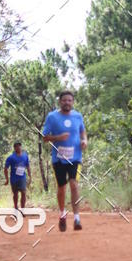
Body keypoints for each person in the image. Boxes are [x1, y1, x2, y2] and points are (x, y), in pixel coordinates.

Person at [42, 90, 87, 231]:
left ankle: (77, 218)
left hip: (75, 158)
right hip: (59, 159)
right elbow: (44, 137)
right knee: (62, 187)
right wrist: (57, 138)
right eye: (64, 100)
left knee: (74, 184)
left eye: (69, 100)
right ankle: (62, 214)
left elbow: (82, 131)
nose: (67, 103)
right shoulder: (52, 117)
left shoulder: (78, 116)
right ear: (60, 102)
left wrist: (84, 140)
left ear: (72, 102)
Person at [4, 141, 31, 211]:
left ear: (21, 147)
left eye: (19, 146)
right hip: (14, 179)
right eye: (16, 146)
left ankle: (22, 209)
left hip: (22, 178)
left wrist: (30, 176)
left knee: (23, 192)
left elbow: (28, 166)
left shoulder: (25, 156)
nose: (18, 147)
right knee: (15, 194)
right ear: (14, 148)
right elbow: (5, 168)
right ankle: (16, 207)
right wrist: (7, 179)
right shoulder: (11, 157)